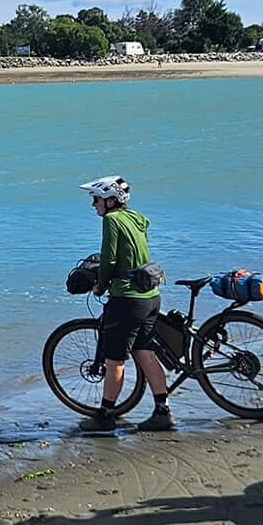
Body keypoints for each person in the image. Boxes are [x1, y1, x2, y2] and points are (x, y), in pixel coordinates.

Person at [84, 175, 174, 430]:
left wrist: (100, 286)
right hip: (150, 297)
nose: (94, 205)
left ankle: (105, 416)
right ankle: (162, 411)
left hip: (127, 299)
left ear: (110, 201)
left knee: (114, 360)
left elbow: (110, 259)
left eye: (96, 200)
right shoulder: (135, 217)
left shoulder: (112, 220)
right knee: (144, 352)